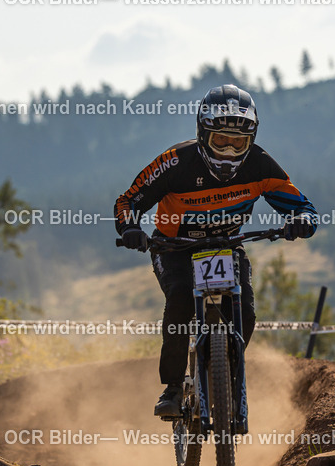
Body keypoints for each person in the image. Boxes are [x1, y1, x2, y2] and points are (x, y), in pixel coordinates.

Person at [114, 84, 318, 418]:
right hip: (174, 247)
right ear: (202, 133)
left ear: (250, 140)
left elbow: (301, 204)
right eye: (219, 140)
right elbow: (128, 201)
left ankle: (224, 370)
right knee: (180, 299)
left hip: (226, 246)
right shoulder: (175, 162)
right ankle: (174, 387)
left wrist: (301, 220)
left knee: (246, 312)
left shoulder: (261, 165)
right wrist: (131, 228)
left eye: (237, 142)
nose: (227, 150)